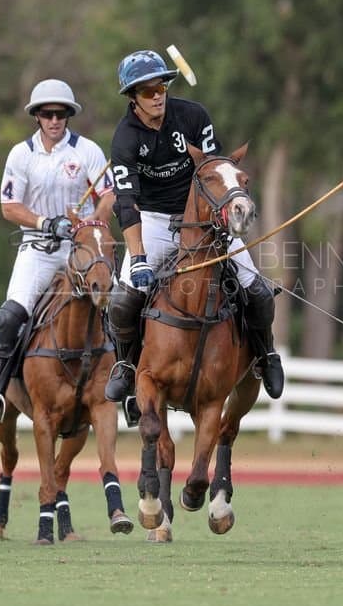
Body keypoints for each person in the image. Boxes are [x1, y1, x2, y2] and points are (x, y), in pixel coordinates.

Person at [103, 49, 284, 407]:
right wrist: (138, 257)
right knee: (124, 301)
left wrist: (223, 215)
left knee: (257, 290)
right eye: (147, 91)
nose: (157, 96)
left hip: (202, 217)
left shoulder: (193, 116)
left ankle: (266, 354)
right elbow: (126, 204)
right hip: (152, 221)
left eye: (161, 87)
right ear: (132, 98)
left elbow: (215, 169)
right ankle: (126, 364)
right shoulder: (124, 138)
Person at [0, 79, 115, 426]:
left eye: (61, 114)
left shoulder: (88, 151)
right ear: (37, 116)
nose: (54, 120)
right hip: (37, 250)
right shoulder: (21, 154)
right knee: (8, 318)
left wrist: (91, 225)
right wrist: (46, 223)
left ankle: (125, 388)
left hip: (80, 250)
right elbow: (9, 206)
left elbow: (109, 195)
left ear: (68, 116)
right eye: (48, 114)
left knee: (117, 310)